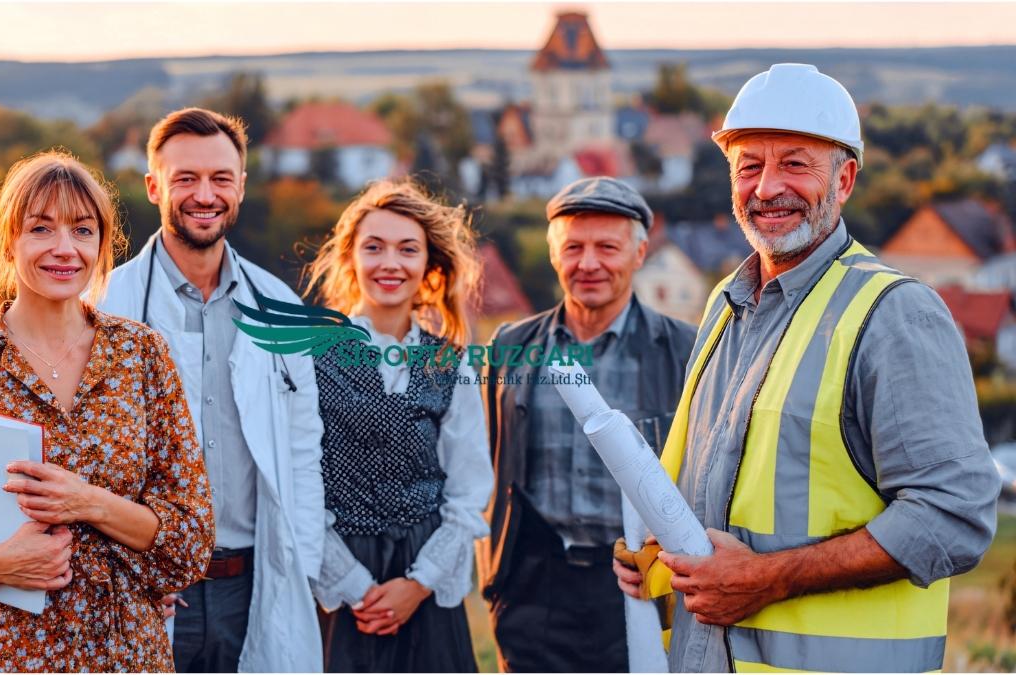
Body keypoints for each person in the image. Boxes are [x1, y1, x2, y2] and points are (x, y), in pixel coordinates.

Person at [613, 64, 1001, 672]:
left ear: (844, 179)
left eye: (795, 164)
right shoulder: (725, 304)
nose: (767, 188)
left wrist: (768, 579)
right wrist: (661, 557)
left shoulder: (892, 314)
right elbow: (722, 499)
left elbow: (952, 516)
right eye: (749, 166)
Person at [0, 151, 214, 672]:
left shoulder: (144, 356)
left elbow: (191, 539)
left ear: (102, 244)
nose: (64, 249)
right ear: (9, 239)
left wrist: (89, 502)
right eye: (41, 229)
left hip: (125, 654)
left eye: (82, 230)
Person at [96, 108, 325, 672]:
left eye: (221, 178)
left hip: (254, 583)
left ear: (241, 188)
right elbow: (84, 459)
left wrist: (306, 568)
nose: (205, 195)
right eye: (186, 179)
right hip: (148, 584)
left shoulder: (280, 306)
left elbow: (303, 448)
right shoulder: (104, 304)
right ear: (153, 187)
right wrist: (125, 571)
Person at [478, 177, 697, 672]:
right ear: (554, 255)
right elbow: (487, 459)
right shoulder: (510, 344)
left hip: (640, 581)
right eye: (573, 247)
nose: (589, 263)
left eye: (607, 247)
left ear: (640, 254)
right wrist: (498, 583)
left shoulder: (687, 351)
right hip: (532, 584)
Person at [304, 180, 492, 672]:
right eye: (374, 247)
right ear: (350, 258)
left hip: (423, 573)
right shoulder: (308, 356)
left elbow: (469, 490)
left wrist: (418, 583)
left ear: (428, 265)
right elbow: (297, 487)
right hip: (340, 576)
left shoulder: (450, 362)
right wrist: (355, 587)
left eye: (408, 249)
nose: (391, 263)